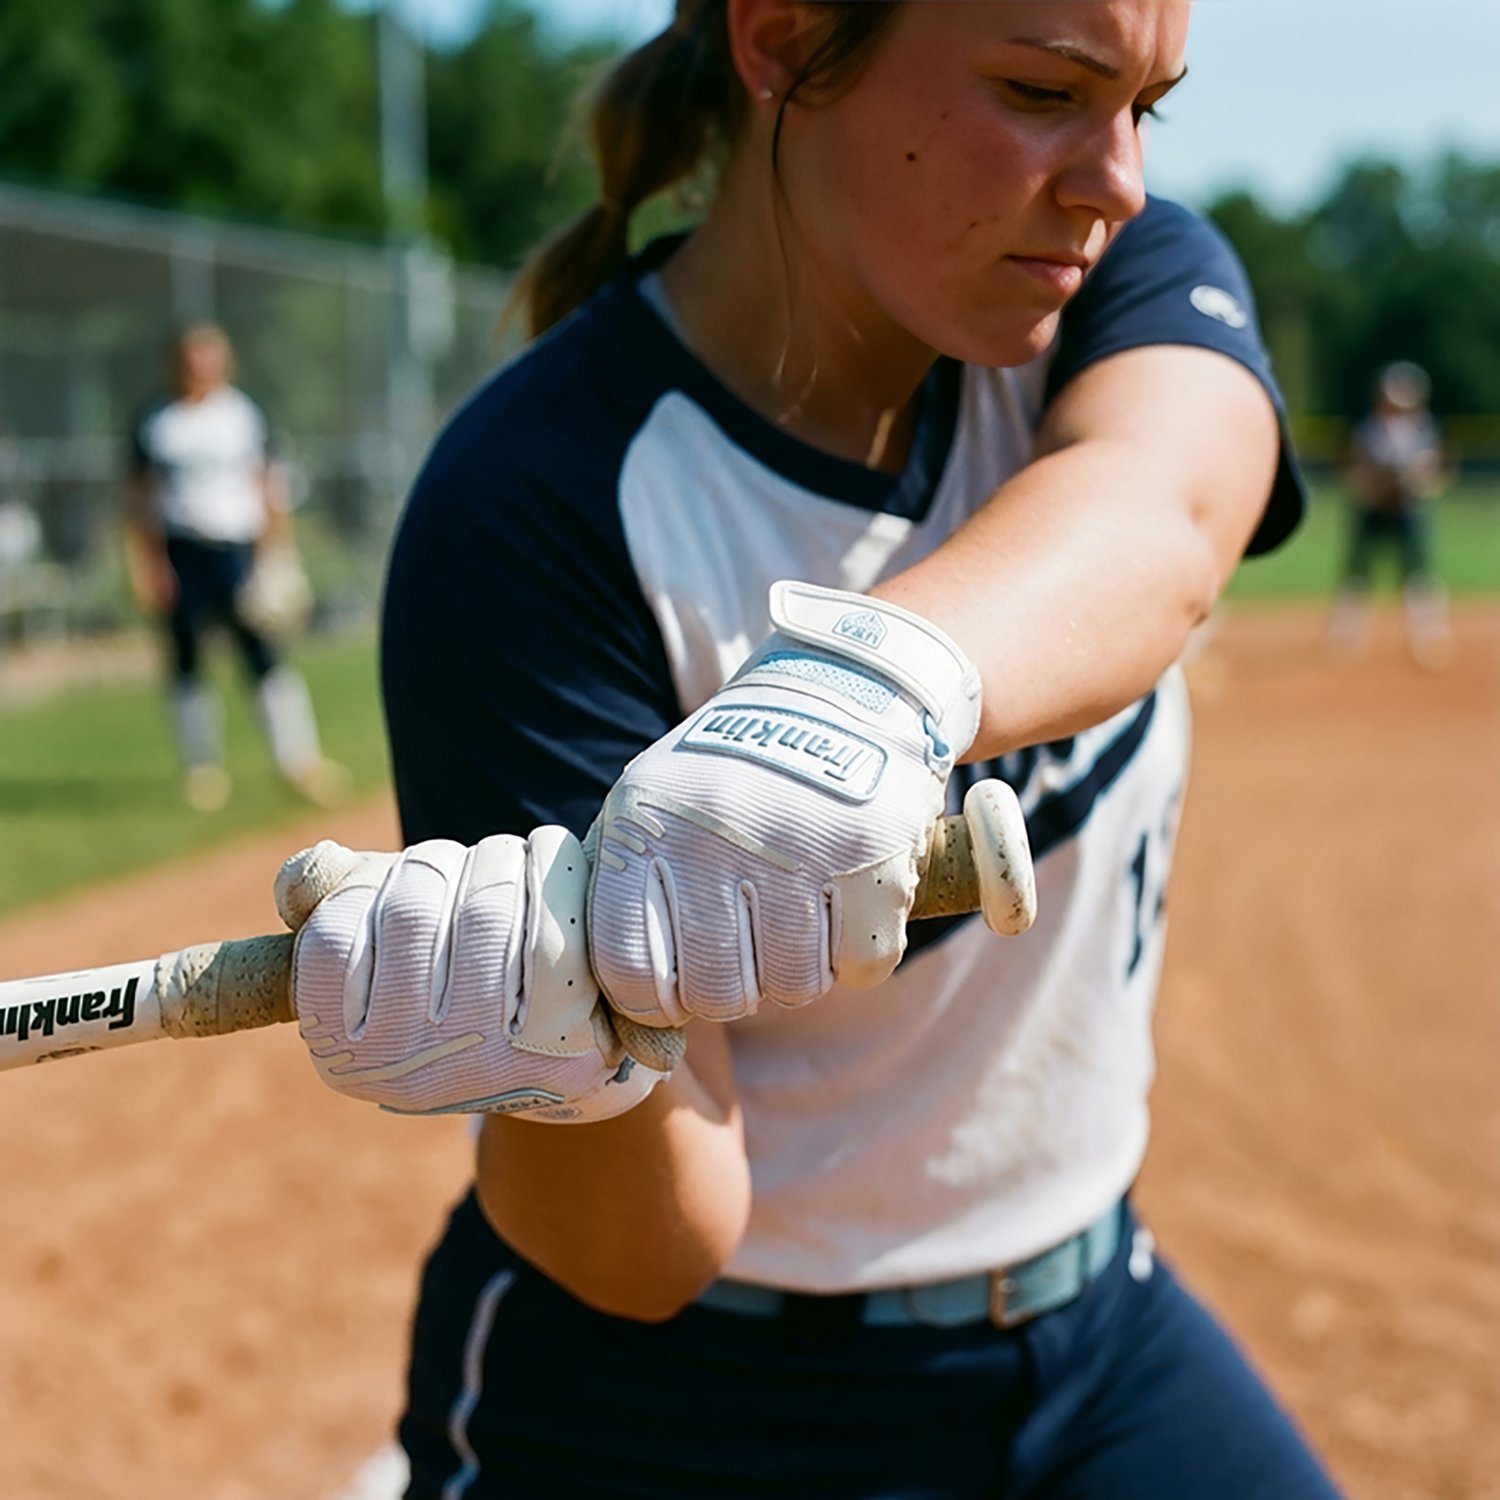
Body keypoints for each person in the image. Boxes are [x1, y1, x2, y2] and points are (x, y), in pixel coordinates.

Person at [275, 3, 1343, 1495]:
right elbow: (648, 1249)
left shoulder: (1111, 287)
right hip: (692, 1406)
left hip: (1094, 1328)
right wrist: (565, 1062)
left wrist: (867, 683)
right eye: (1044, 89)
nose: (1120, 180)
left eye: (1147, 107)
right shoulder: (539, 507)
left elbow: (1161, 517)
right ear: (779, 35)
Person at [124, 322, 348, 811]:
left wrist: (278, 554)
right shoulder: (157, 421)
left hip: (238, 550)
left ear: (224, 362)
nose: (198, 367)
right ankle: (201, 769)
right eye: (189, 358)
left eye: (207, 357)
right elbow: (139, 498)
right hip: (181, 550)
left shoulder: (243, 415)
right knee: (186, 661)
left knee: (263, 654)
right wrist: (147, 563)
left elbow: (268, 485)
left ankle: (298, 761)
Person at [1327, 360, 1453, 668]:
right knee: (1357, 576)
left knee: (1418, 576)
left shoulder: (1423, 431)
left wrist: (1416, 483)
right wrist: (1376, 485)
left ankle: (1428, 637)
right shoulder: (1369, 431)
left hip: (1408, 513)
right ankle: (1344, 638)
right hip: (1373, 511)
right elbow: (1355, 473)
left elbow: (1434, 473)